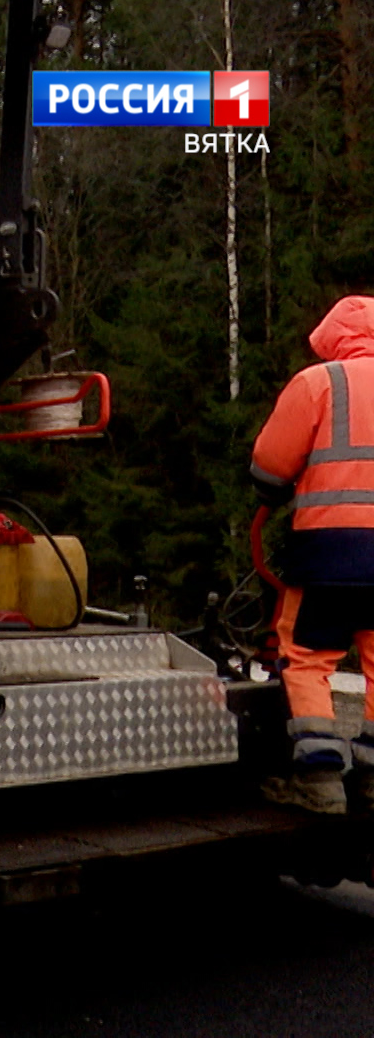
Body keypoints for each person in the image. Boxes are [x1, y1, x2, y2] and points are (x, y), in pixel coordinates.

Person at [249, 295, 374, 815]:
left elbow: (270, 466)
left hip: (328, 551)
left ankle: (319, 778)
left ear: (331, 337)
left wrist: (273, 494)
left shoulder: (318, 383)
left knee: (305, 657)